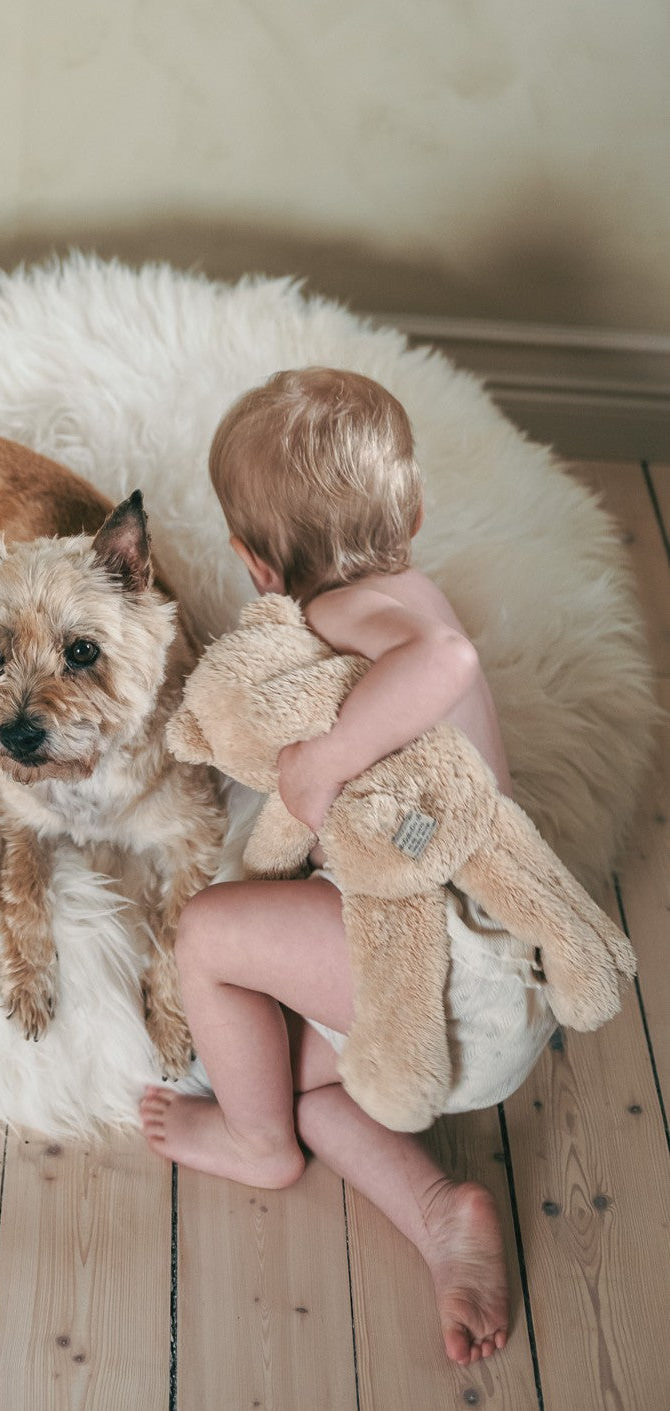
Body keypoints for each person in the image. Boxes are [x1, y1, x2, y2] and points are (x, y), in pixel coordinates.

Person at [139, 366, 555, 1366]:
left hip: (452, 960)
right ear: (411, 510)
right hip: (472, 1005)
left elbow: (446, 659)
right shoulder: (402, 588)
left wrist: (322, 758)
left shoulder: (368, 611)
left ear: (251, 563)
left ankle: (256, 1148)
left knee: (209, 934)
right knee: (286, 1076)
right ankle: (438, 1209)